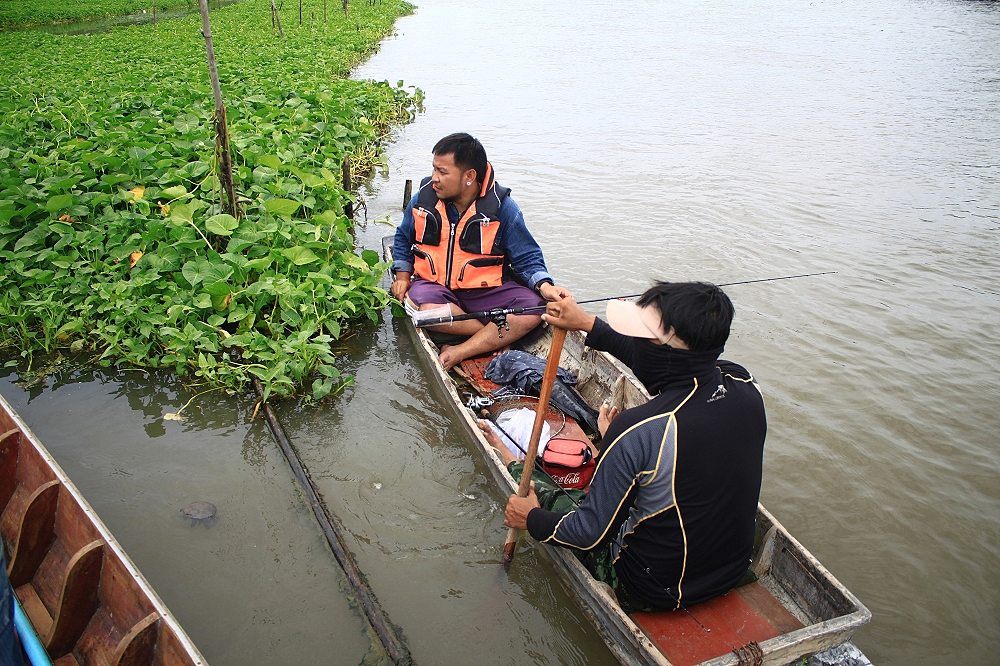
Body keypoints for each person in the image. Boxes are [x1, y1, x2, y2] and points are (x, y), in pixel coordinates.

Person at [498, 281, 767, 611]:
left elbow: (588, 533)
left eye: (641, 338)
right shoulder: (743, 383)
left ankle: (503, 453)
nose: (634, 345)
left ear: (661, 354)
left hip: (654, 589)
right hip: (732, 569)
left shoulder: (638, 429)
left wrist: (532, 519)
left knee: (546, 494)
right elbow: (663, 365)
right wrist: (586, 323)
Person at [391, 133, 566, 370]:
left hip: (484, 293)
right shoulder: (424, 199)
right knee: (421, 309)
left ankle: (462, 349)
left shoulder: (503, 208)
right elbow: (402, 238)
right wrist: (402, 276)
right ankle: (492, 334)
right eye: (434, 169)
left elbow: (527, 258)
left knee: (534, 308)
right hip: (434, 289)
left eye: (443, 172)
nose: (434, 178)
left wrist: (545, 286)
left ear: (469, 176)